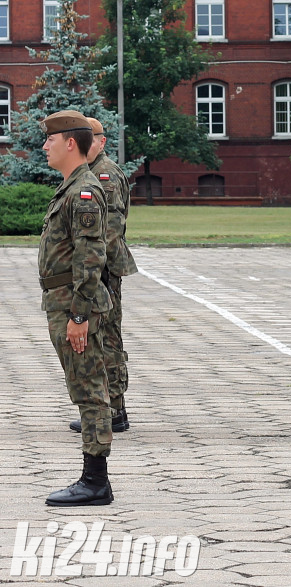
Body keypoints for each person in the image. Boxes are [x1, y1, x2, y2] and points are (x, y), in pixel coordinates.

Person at [37, 109, 114, 507]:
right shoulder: (71, 187)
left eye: (51, 138)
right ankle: (93, 478)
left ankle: (95, 481)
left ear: (71, 143)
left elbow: (91, 257)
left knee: (89, 391)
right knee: (84, 388)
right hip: (65, 301)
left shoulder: (84, 191)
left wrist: (79, 315)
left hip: (74, 303)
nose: (45, 145)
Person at [68, 118, 137, 435]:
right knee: (99, 337)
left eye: (88, 139)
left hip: (105, 270)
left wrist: (94, 272)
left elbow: (109, 231)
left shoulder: (104, 175)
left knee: (107, 338)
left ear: (101, 141)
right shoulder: (87, 173)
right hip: (99, 269)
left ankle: (114, 411)